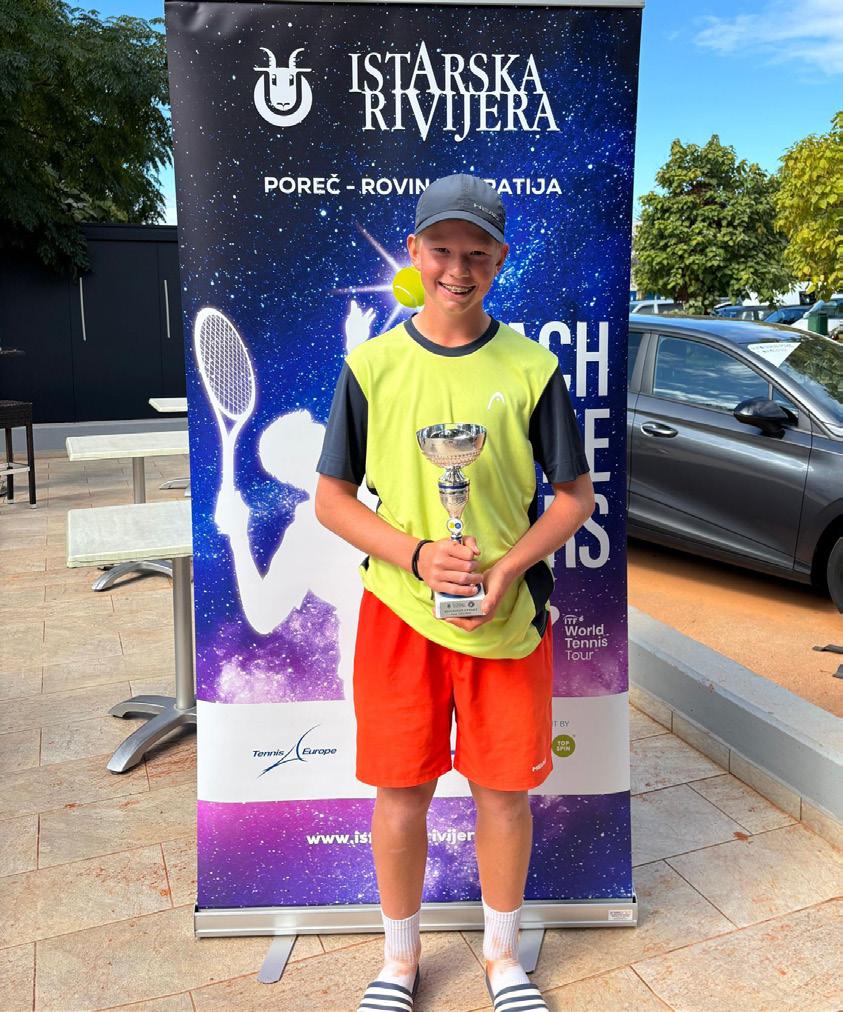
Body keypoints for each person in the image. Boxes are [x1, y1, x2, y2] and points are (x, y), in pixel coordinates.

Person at [314, 173, 594, 1012]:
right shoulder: (371, 366)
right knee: (400, 792)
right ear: (413, 252)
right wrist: (415, 554)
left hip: (505, 620)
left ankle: (502, 960)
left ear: (500, 259)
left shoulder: (532, 367)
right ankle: (399, 963)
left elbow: (573, 498)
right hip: (399, 616)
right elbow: (331, 500)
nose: (457, 269)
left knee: (503, 794)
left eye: (476, 253)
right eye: (441, 249)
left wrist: (505, 569)